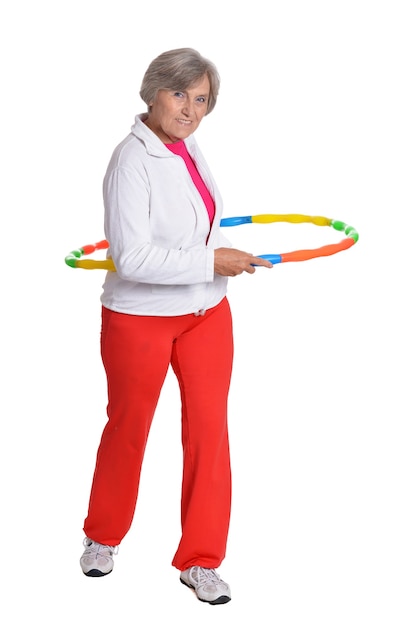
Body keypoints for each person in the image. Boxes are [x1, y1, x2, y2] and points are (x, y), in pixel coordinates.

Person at [79, 47, 273, 605]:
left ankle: (201, 561)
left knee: (210, 435)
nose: (190, 110)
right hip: (139, 319)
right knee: (129, 427)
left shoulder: (188, 148)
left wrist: (221, 252)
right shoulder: (130, 159)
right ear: (153, 92)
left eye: (202, 100)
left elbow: (196, 230)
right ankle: (102, 536)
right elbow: (131, 257)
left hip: (206, 315)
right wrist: (212, 261)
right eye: (180, 94)